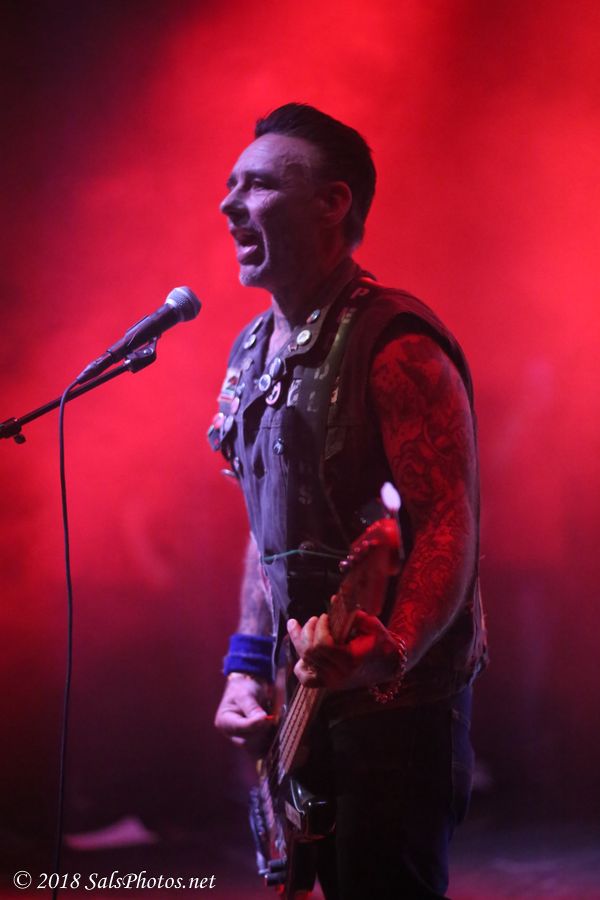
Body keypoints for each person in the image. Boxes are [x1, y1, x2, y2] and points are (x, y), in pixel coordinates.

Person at [209, 103, 487, 900]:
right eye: (230, 185)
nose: (229, 204)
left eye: (258, 186)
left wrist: (389, 652)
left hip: (398, 711)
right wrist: (244, 669)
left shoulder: (396, 342)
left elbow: (447, 524)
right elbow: (266, 532)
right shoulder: (251, 351)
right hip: (300, 700)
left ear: (333, 202)